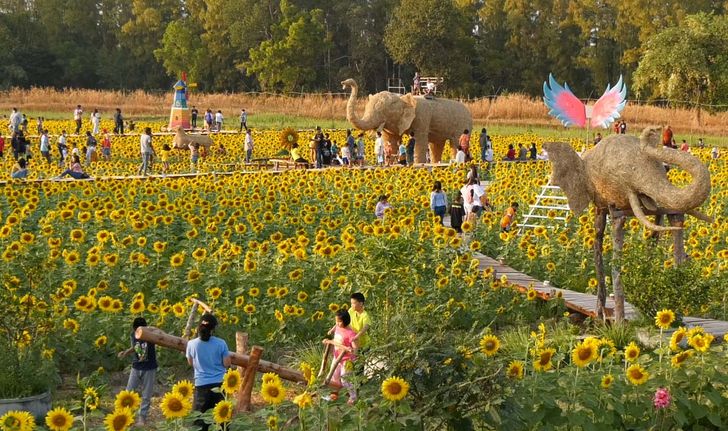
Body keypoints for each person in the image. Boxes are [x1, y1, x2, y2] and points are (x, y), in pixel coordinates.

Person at [186, 313, 232, 431]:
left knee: (200, 420)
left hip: (201, 385)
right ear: (213, 329)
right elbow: (226, 363)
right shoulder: (221, 343)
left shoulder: (191, 344)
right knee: (222, 420)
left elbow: (190, 363)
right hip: (219, 385)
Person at [117, 317, 157, 427]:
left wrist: (149, 329)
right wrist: (125, 353)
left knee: (146, 395)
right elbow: (135, 347)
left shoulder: (151, 335)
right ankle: (125, 415)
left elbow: (160, 335)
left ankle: (142, 418)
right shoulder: (132, 334)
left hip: (149, 368)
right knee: (128, 392)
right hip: (136, 367)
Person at [322, 309, 358, 405]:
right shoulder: (338, 328)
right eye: (336, 321)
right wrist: (329, 339)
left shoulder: (350, 333)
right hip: (337, 357)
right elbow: (336, 338)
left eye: (339, 321)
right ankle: (334, 394)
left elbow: (355, 346)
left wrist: (353, 351)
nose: (337, 323)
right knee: (334, 377)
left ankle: (353, 397)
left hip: (347, 360)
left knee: (345, 379)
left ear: (346, 321)